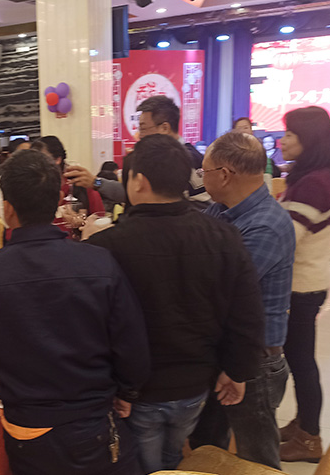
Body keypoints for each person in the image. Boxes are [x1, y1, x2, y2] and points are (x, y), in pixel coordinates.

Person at [86, 135, 265, 473]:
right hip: (197, 385)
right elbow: (247, 314)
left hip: (136, 392)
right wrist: (237, 370)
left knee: (146, 461)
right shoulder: (224, 235)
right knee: (172, 456)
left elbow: (93, 328)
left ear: (138, 181)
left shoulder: (106, 246)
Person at [0, 149, 150, 475]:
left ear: (8, 209)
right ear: (57, 202)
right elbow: (131, 343)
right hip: (92, 420)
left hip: (26, 427)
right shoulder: (97, 262)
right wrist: (128, 391)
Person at [190, 132, 296, 469]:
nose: (201, 178)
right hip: (229, 352)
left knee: (258, 457)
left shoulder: (265, 226)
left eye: (203, 171)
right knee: (209, 443)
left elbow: (217, 288)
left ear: (224, 175)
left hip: (254, 362)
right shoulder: (223, 211)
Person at [278, 107, 330, 463]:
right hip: (308, 281)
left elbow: (287, 237)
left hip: (301, 286)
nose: (282, 140)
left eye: (290, 134)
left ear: (309, 140)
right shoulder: (315, 176)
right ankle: (303, 424)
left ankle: (310, 438)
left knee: (301, 363)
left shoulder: (314, 183)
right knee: (301, 360)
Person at [65, 95, 210, 210]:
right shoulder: (158, 158)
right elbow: (134, 193)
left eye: (143, 128)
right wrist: (95, 182)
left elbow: (204, 207)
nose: (139, 135)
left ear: (164, 128)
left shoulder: (189, 160)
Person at [39, 135, 105, 216]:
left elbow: (99, 217)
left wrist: (82, 222)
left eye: (41, 159)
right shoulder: (35, 187)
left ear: (57, 160)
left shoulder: (80, 181)